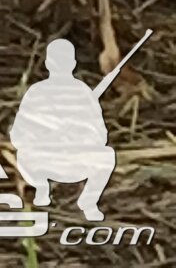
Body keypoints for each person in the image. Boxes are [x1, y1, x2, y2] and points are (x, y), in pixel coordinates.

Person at [12, 39, 116, 221]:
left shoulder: (80, 93)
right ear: (73, 64)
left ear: (47, 63)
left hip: (72, 159)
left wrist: (78, 136)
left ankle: (87, 202)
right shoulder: (40, 92)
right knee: (23, 154)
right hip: (45, 158)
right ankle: (42, 188)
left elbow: (100, 135)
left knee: (107, 155)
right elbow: (20, 134)